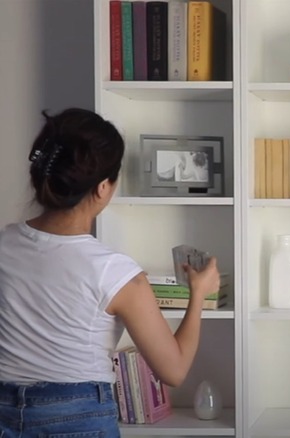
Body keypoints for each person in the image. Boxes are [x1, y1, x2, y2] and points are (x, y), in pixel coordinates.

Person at [0, 108, 221, 437]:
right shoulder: (116, 273)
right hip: (77, 417)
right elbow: (174, 370)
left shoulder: (5, 244)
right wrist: (199, 295)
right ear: (103, 187)